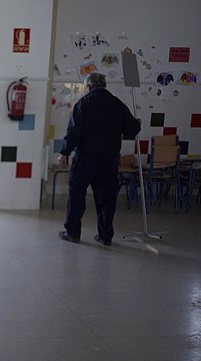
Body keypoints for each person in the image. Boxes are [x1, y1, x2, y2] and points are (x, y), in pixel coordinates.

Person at [58, 72, 140, 246]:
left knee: (77, 194)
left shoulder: (84, 103)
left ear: (88, 87)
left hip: (86, 158)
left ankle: (72, 233)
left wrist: (65, 152)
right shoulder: (117, 104)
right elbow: (132, 128)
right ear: (104, 86)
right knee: (107, 197)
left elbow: (74, 131)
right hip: (109, 159)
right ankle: (105, 236)